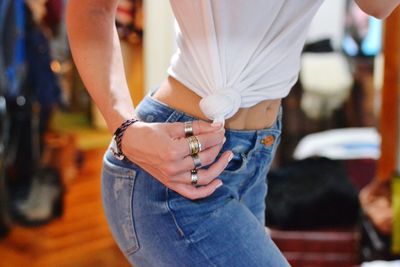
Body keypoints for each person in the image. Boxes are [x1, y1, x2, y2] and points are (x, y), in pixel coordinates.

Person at [65, 1, 400, 266]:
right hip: (175, 170)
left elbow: (378, 6)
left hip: (253, 157)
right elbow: (91, 8)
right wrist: (124, 128)